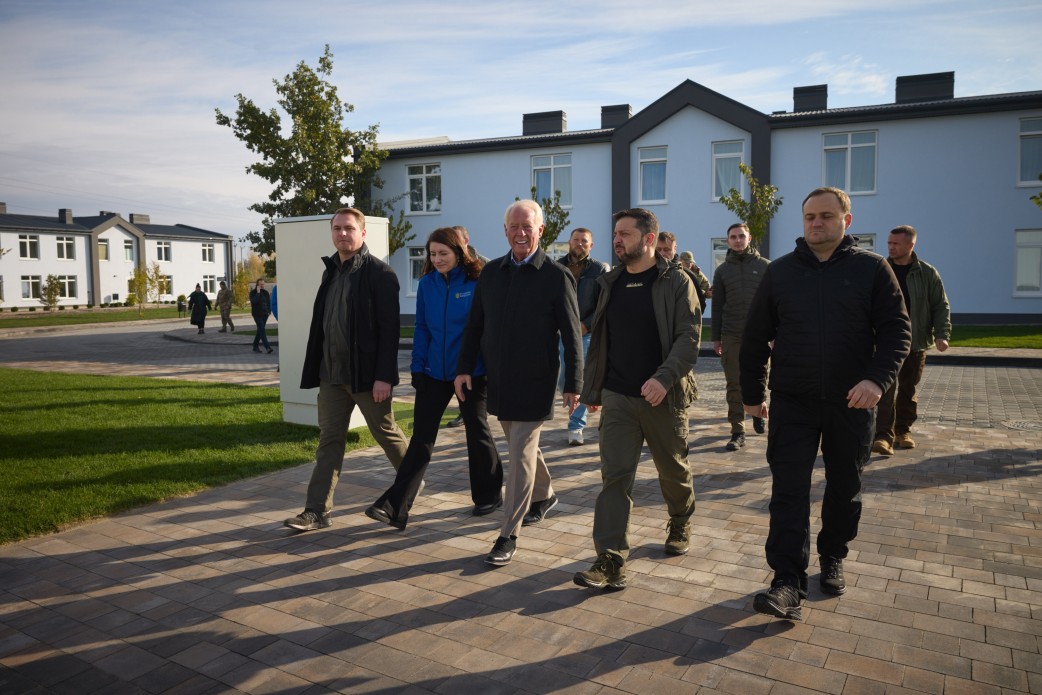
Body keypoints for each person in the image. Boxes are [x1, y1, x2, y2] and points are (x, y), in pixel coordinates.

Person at [740, 187, 910, 620]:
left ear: (846, 221)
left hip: (851, 403)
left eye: (827, 216)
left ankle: (833, 553)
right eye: (810, 217)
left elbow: (897, 332)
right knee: (789, 491)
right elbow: (755, 337)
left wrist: (876, 379)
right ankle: (786, 580)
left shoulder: (873, 270)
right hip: (792, 402)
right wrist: (752, 395)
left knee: (844, 487)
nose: (817, 223)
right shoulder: (780, 273)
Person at [573, 208, 699, 591]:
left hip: (664, 396)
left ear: (648, 239)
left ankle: (680, 517)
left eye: (625, 234)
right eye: (615, 233)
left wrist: (663, 379)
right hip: (618, 397)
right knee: (615, 478)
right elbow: (602, 340)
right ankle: (610, 559)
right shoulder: (609, 283)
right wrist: (594, 390)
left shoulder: (677, 281)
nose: (617, 239)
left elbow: (688, 339)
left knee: (673, 470)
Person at [455, 199, 582, 566]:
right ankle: (544, 495)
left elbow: (572, 337)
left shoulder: (557, 277)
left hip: (536, 381)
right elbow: (475, 326)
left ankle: (508, 532)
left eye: (528, 226)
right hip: (500, 380)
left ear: (541, 231)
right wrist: (464, 367)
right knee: (521, 445)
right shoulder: (491, 274)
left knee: (519, 454)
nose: (521, 233)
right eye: (514, 226)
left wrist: (573, 383)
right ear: (505, 231)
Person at [365, 227, 504, 528]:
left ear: (459, 252)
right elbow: (422, 328)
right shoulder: (426, 284)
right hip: (434, 374)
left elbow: (482, 329)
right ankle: (394, 506)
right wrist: (418, 367)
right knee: (421, 439)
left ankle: (489, 494)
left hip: (470, 373)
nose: (438, 259)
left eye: (444, 253)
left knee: (477, 433)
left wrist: (478, 367)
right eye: (433, 254)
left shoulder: (477, 282)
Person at [284, 207, 410, 532]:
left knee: (386, 433)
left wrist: (384, 376)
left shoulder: (381, 274)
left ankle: (412, 479)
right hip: (332, 376)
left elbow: (390, 330)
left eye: (349, 228)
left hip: (368, 378)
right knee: (329, 440)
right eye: (337, 228)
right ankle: (316, 511)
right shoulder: (331, 272)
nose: (343, 234)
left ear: (362, 233)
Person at [872, 225, 951, 456]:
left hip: (915, 343)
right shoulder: (880, 270)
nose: (891, 247)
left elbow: (940, 305)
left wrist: (942, 334)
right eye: (889, 243)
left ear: (911, 245)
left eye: (896, 243)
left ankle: (903, 431)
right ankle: (882, 436)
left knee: (908, 389)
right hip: (884, 342)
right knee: (885, 389)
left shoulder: (927, 273)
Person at [711, 223, 770, 451]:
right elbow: (717, 307)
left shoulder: (766, 267)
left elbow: (773, 303)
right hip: (732, 335)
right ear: (728, 241)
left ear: (749, 237)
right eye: (733, 237)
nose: (737, 240)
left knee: (759, 379)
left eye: (741, 236)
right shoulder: (722, 271)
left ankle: (758, 413)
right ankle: (737, 430)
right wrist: (716, 338)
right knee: (734, 384)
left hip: (760, 335)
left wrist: (775, 334)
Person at [558, 227, 609, 446]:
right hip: (560, 332)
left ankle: (575, 426)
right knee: (563, 379)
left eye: (584, 241)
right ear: (569, 242)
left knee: (578, 377)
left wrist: (587, 325)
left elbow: (604, 303)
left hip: (585, 333)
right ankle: (585, 401)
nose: (579, 244)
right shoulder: (557, 266)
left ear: (591, 245)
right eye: (576, 240)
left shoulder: (600, 269)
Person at [443, 225, 486, 429]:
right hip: (451, 353)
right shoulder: (443, 271)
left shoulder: (483, 267)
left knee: (478, 425)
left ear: (465, 242)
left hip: (478, 350)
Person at [656, 232, 709, 313]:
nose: (662, 253)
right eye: (658, 249)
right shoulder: (646, 272)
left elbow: (699, 306)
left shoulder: (688, 275)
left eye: (667, 249)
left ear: (675, 249)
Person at [250, 279, 274, 354]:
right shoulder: (253, 293)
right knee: (262, 330)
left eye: (263, 284)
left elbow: (268, 302)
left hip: (265, 314)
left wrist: (269, 311)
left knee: (260, 330)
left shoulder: (266, 292)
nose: (262, 286)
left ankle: (255, 345)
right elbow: (254, 301)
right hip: (257, 315)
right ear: (257, 284)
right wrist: (258, 293)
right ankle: (267, 347)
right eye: (260, 284)